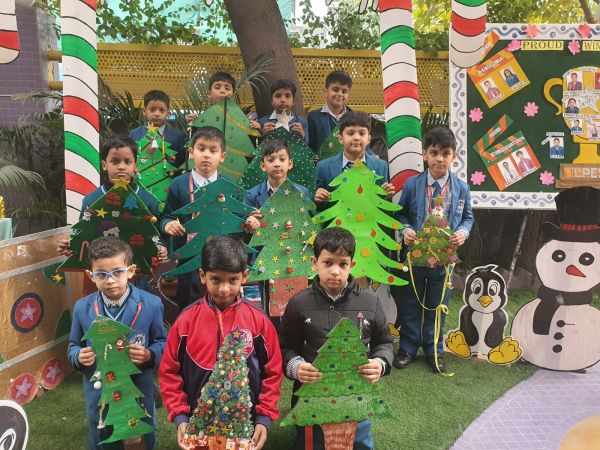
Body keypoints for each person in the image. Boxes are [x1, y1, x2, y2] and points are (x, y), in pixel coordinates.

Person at [159, 236, 282, 450]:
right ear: (202, 276)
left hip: (246, 425)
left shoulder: (259, 320)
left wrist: (264, 418)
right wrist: (180, 415)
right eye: (216, 279)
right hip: (198, 424)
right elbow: (169, 371)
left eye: (232, 280)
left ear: (244, 277)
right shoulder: (186, 321)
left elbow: (272, 371)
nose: (224, 289)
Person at [279, 227, 393, 450]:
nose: (335, 271)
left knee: (358, 443)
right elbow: (284, 346)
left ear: (352, 264)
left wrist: (380, 363)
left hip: (356, 400)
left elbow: (384, 342)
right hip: (312, 399)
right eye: (328, 263)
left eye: (342, 264)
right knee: (310, 444)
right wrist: (296, 366)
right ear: (315, 263)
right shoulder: (299, 303)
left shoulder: (370, 302)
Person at [67, 237, 167, 450]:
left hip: (136, 388)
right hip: (99, 392)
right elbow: (73, 345)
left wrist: (149, 354)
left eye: (117, 272)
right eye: (102, 274)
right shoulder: (82, 308)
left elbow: (162, 342)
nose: (110, 280)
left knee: (139, 437)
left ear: (130, 271)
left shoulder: (151, 304)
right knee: (103, 436)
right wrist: (78, 356)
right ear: (91, 275)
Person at [392, 127, 474, 373]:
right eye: (434, 152)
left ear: (454, 156)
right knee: (410, 303)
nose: (440, 158)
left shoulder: (461, 188)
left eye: (445, 153)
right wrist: (406, 229)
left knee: (438, 305)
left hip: (444, 258)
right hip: (415, 256)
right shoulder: (412, 184)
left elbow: (468, 217)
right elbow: (401, 214)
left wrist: (463, 232)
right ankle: (407, 348)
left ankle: (434, 350)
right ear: (424, 154)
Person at [160, 126, 259, 311]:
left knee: (224, 305)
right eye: (201, 149)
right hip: (189, 259)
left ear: (222, 156)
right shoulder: (179, 185)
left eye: (213, 150)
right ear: (191, 152)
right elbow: (166, 216)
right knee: (189, 307)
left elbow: (241, 218)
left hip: (224, 260)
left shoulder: (229, 186)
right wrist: (168, 225)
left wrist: (250, 222)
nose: (206, 155)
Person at [57, 134, 167, 266]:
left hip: (138, 270)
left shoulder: (149, 201)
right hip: (101, 271)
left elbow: (156, 237)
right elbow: (81, 236)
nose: (121, 167)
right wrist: (69, 246)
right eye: (115, 161)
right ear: (104, 165)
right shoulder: (90, 201)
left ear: (136, 166)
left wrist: (160, 249)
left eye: (127, 162)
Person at [243, 138, 310, 318]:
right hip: (266, 259)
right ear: (262, 165)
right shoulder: (252, 195)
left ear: (290, 163)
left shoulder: (302, 192)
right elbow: (245, 231)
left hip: (294, 258)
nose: (277, 164)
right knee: (269, 307)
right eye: (271, 160)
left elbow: (308, 225)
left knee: (296, 305)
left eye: (282, 159)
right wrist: (250, 224)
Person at [314, 110, 395, 206]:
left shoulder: (381, 166)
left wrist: (386, 196)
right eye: (350, 133)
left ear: (368, 139)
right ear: (340, 138)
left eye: (362, 133)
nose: (356, 137)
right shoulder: (323, 167)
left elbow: (384, 204)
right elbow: (318, 207)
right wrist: (319, 199)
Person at [130, 90, 187, 170]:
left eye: (162, 110)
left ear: (168, 113)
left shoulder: (177, 136)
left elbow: (181, 161)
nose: (157, 114)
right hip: (141, 176)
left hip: (169, 177)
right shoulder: (134, 135)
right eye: (152, 110)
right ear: (144, 111)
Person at [307, 70, 353, 153]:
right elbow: (310, 147)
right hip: (322, 160)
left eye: (344, 91)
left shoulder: (354, 117)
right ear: (325, 92)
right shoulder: (314, 117)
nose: (340, 94)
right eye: (335, 90)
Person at [259, 79, 309, 143]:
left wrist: (302, 137)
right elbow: (257, 146)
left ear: (293, 101)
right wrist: (263, 136)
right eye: (278, 96)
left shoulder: (302, 122)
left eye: (287, 96)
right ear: (272, 101)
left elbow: (306, 146)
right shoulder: (262, 122)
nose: (283, 100)